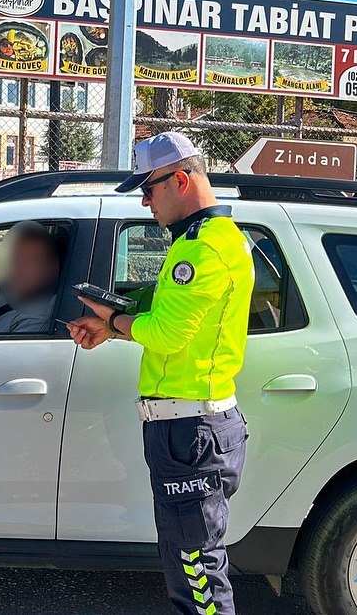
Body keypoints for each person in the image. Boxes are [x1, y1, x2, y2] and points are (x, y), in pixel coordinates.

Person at [68, 132, 253, 615]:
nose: (146, 201)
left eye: (149, 189)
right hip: (190, 427)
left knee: (196, 571)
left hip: (190, 430)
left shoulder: (200, 251)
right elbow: (173, 327)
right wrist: (117, 329)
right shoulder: (212, 240)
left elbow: (168, 335)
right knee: (190, 562)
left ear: (182, 180)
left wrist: (110, 321)